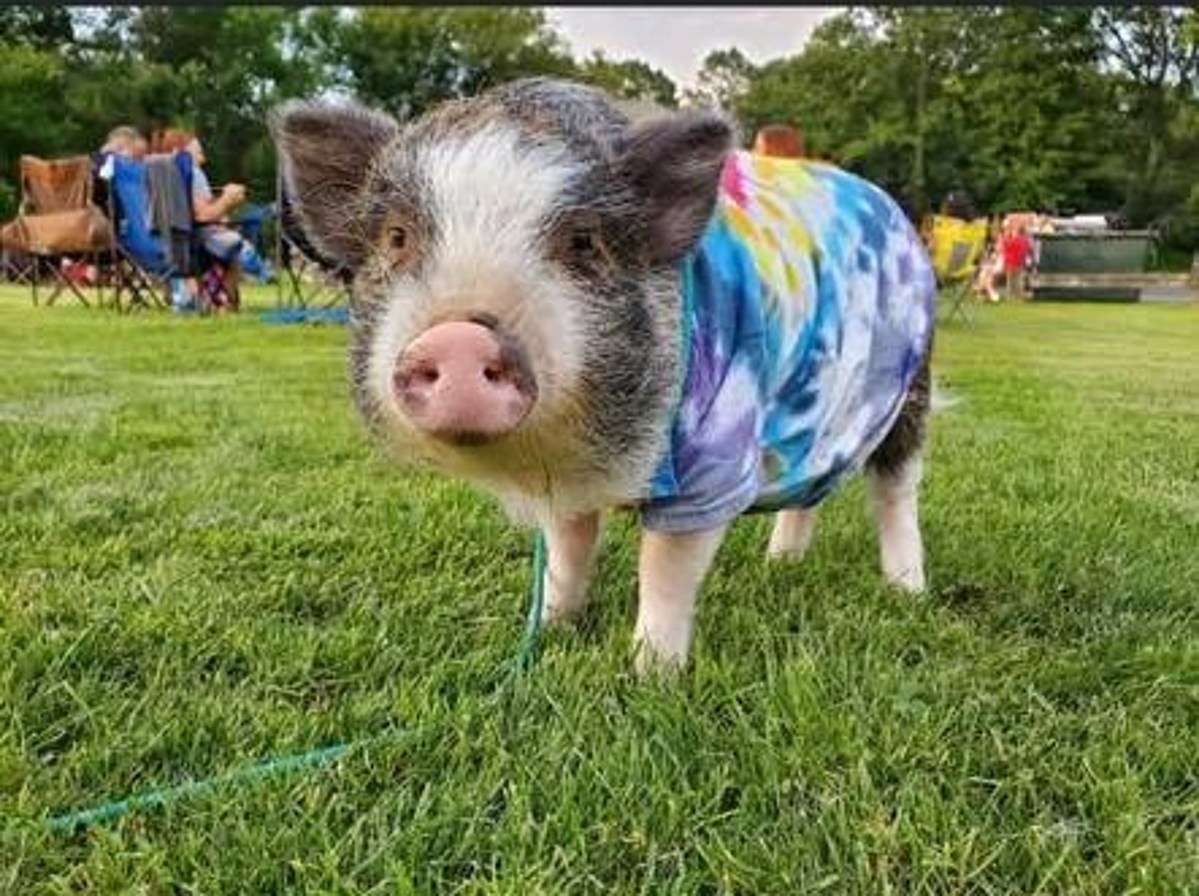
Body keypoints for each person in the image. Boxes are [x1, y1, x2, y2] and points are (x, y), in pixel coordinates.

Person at [999, 222, 1033, 300]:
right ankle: (1017, 296)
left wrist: (1004, 239)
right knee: (1018, 280)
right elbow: (1027, 250)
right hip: (1018, 262)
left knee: (1012, 281)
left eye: (1014, 230)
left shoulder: (1014, 240)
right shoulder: (1024, 240)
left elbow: (1005, 248)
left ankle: (1011, 296)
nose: (1012, 232)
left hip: (1012, 262)